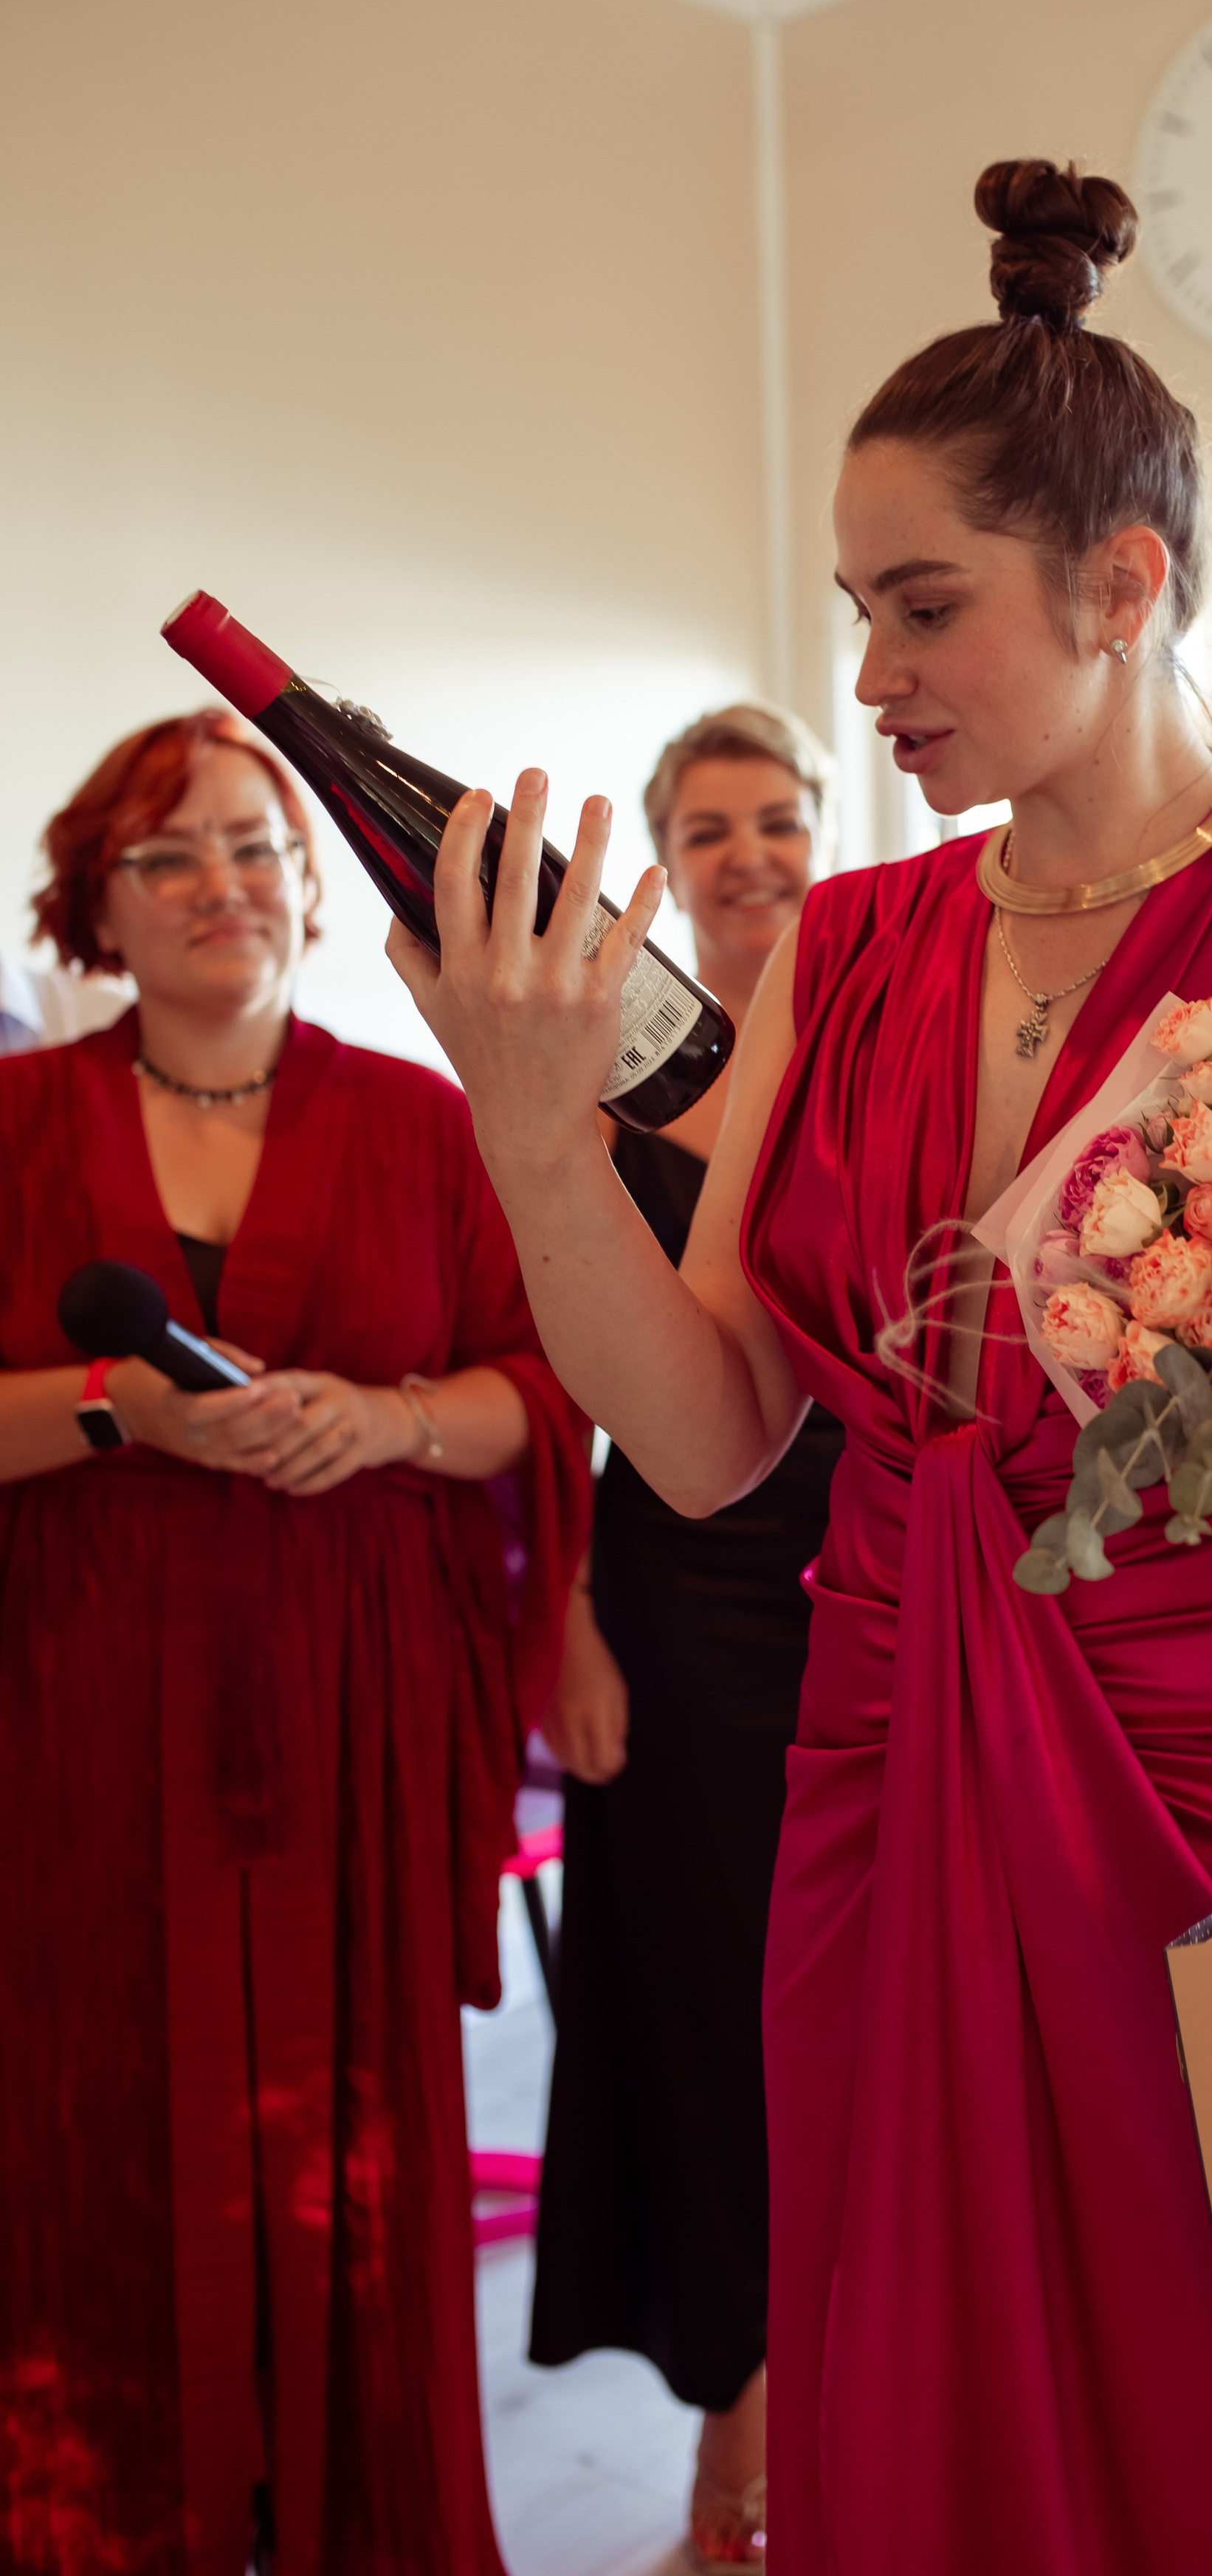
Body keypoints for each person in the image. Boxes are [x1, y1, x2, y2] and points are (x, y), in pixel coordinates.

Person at [390, 160, 1212, 2575]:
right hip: (891, 1762)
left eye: (925, 609)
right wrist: (534, 1131)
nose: (873, 678)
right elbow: (712, 1441)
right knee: (929, 2395)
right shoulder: (852, 943)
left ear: (1123, 583)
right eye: (855, 616)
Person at [0, 711, 590, 2572]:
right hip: (77, 1704)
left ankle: (361, 2520)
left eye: (254, 844)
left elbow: (538, 1389)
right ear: (95, 903)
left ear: (308, 880)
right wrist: (120, 1408)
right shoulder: (12, 1127)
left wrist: (392, 1418)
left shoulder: (425, 1122)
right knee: (91, 2104)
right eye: (167, 854)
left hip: (354, 1703)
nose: (221, 884)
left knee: (353, 2119)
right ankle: (106, 2520)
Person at [528, 705, 841, 2571]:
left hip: (875, 1580)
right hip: (679, 1598)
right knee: (717, 2019)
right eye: (708, 829)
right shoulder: (593, 1086)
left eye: (776, 817)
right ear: (661, 862)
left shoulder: (873, 1038)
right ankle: (740, 2430)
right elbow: (557, 1390)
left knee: (870, 2020)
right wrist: (568, 1622)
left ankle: (870, 2421)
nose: (748, 855)